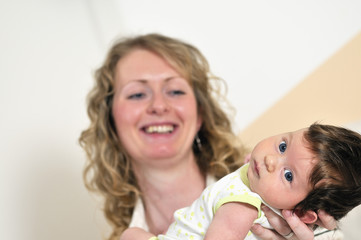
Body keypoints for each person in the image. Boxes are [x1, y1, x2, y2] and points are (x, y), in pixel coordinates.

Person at [79, 33, 340, 240]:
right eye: (137, 94)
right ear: (110, 120)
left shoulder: (298, 205)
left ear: (200, 112)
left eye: (175, 91)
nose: (158, 106)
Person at [119, 123, 361, 240]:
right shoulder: (257, 183)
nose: (270, 160)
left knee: (131, 235)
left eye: (288, 175)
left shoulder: (242, 204)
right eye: (282, 146)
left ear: (303, 212)